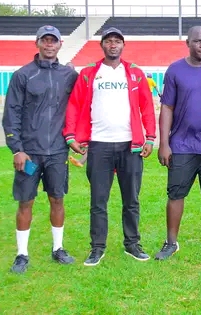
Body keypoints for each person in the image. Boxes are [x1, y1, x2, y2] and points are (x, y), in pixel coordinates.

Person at [64, 27, 157, 266]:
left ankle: (132, 244)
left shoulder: (135, 73)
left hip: (130, 145)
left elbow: (147, 107)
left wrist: (150, 137)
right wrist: (70, 135)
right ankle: (97, 247)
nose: (113, 45)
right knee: (98, 200)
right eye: (108, 41)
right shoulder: (89, 74)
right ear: (102, 45)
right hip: (99, 145)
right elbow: (74, 105)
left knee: (131, 199)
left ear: (123, 46)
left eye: (117, 41)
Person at [2, 25, 78, 274]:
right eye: (45, 41)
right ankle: (21, 254)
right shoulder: (23, 75)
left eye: (53, 41)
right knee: (26, 202)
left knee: (57, 198)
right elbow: (11, 113)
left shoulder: (69, 75)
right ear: (37, 43)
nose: (49, 45)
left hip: (57, 151)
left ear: (59, 44)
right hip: (30, 153)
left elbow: (80, 106)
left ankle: (58, 249)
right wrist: (17, 149)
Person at [153, 26, 201, 261]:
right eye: (197, 41)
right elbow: (167, 107)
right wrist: (164, 143)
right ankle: (171, 243)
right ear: (187, 43)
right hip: (182, 145)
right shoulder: (175, 70)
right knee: (176, 194)